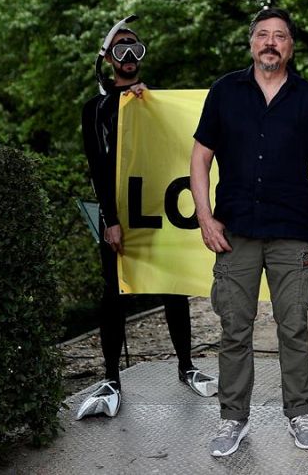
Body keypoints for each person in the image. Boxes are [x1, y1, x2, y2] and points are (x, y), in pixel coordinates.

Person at [190, 8, 308, 457]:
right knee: (235, 327)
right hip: (235, 231)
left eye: (279, 36)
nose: (270, 42)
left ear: (290, 46)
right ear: (251, 43)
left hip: (293, 230)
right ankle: (232, 419)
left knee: (293, 326)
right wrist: (204, 216)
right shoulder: (224, 92)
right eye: (262, 35)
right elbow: (199, 159)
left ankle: (300, 414)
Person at [79, 25, 217, 421]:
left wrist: (148, 103)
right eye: (120, 49)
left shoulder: (159, 101)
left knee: (173, 289)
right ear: (108, 58)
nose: (128, 55)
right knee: (114, 293)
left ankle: (186, 365)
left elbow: (183, 145)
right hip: (120, 216)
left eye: (135, 48)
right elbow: (96, 165)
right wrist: (111, 219)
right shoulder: (96, 109)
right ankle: (110, 378)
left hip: (163, 212)